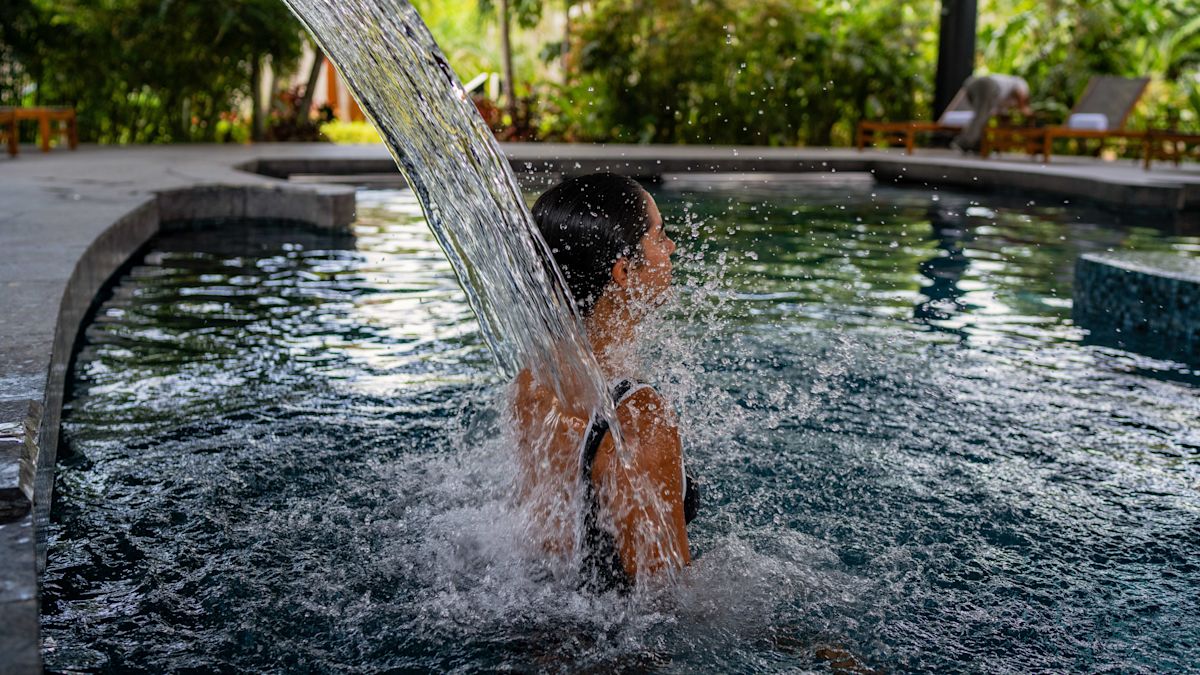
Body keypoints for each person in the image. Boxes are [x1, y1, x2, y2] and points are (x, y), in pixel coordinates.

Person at [511, 173, 698, 593]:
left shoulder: (534, 379)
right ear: (624, 271)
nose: (670, 248)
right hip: (615, 654)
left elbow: (545, 543)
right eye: (658, 235)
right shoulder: (637, 417)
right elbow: (664, 597)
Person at [952, 74, 1033, 153]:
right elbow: (1020, 92)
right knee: (981, 116)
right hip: (987, 84)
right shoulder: (1021, 83)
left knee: (982, 117)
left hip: (974, 85)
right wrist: (1023, 108)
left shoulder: (1005, 99)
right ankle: (963, 142)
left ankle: (977, 144)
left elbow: (999, 114)